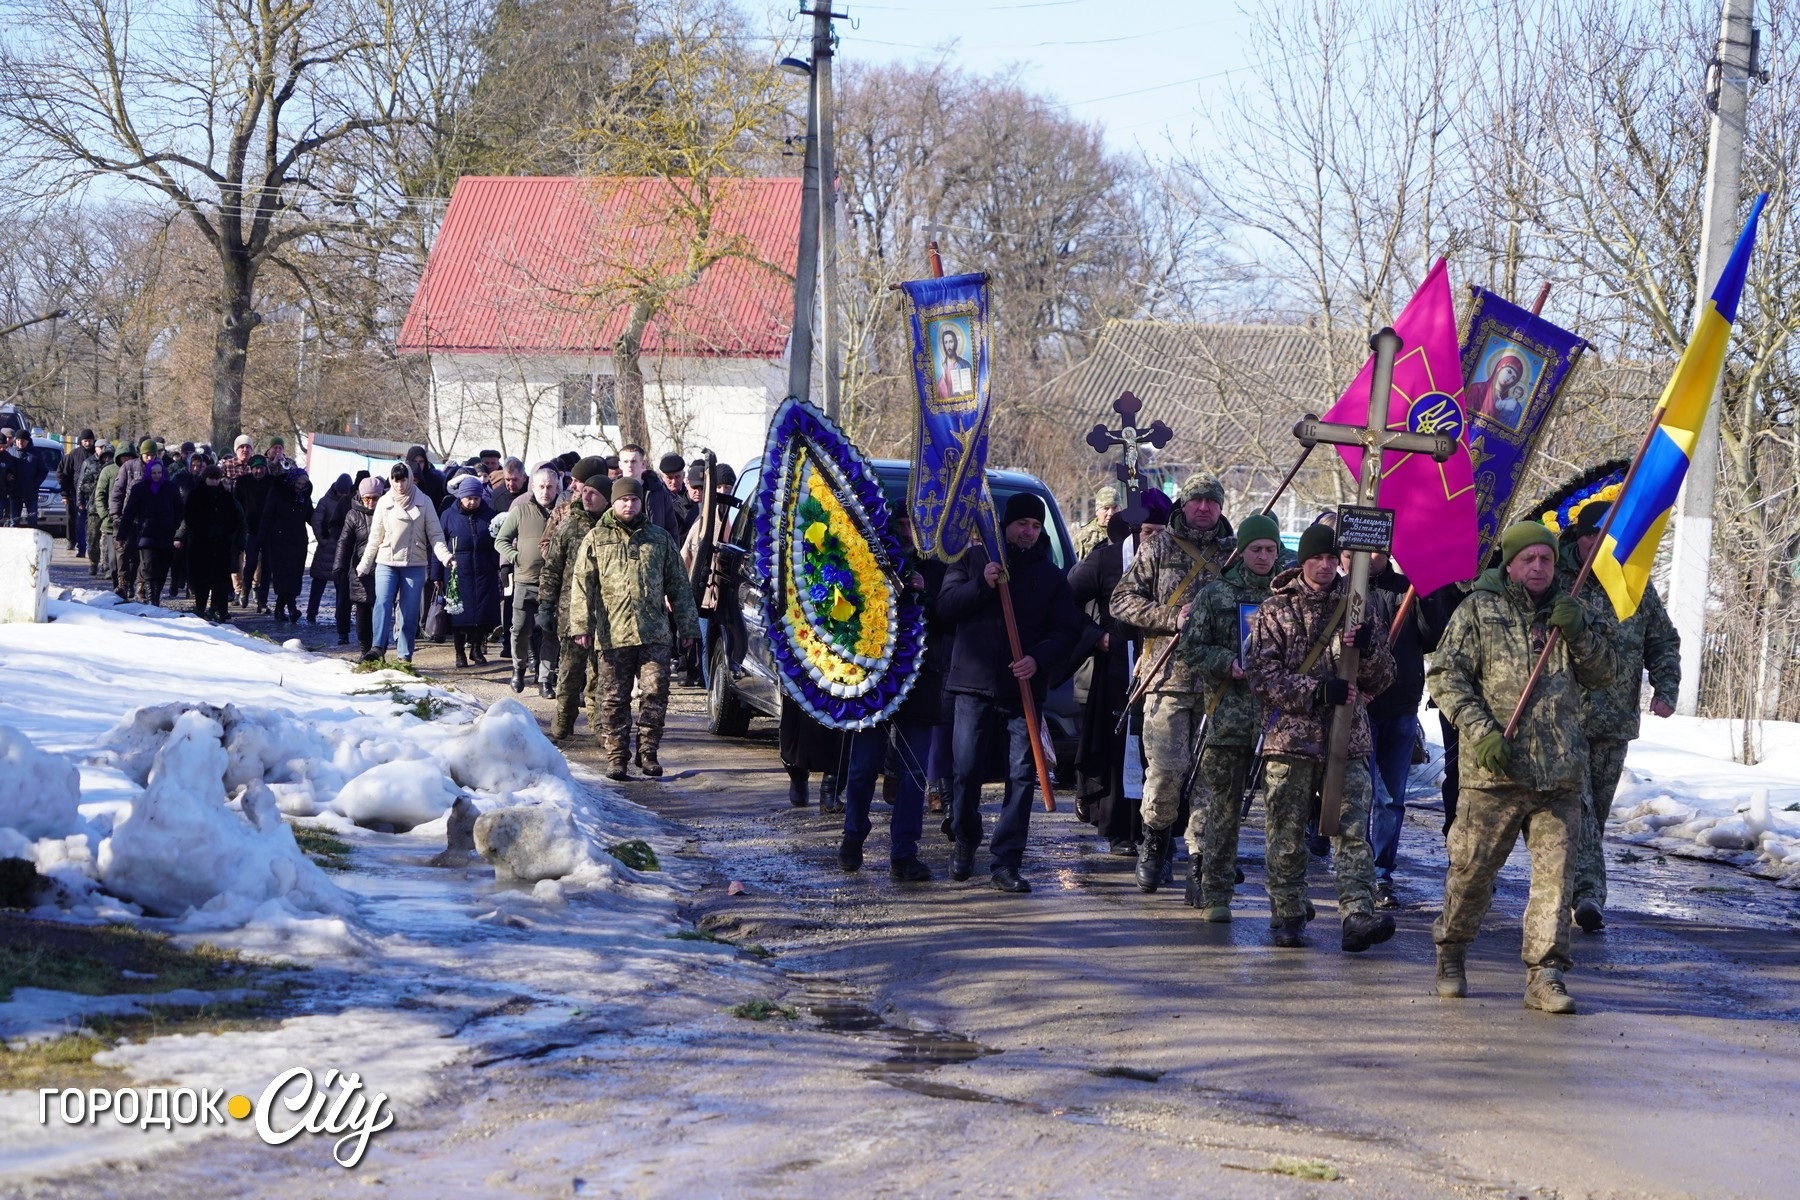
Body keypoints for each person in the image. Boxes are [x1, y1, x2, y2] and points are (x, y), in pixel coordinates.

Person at [1427, 521, 1617, 1013]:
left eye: (1546, 559)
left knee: (1555, 884)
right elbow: (1446, 678)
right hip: (1494, 774)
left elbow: (1606, 674)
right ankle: (1451, 951)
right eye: (1528, 559)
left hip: (1559, 774)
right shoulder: (1478, 610)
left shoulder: (1573, 610)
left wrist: (1579, 634)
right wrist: (1480, 730)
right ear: (1510, 564)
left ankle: (1545, 975)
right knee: (1472, 875)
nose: (1538, 567)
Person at [1246, 522, 1397, 952]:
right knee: (1287, 831)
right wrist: (1316, 691)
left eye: (1333, 559)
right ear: (1302, 561)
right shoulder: (1277, 609)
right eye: (1318, 558)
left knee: (1352, 831)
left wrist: (1368, 649)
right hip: (1290, 740)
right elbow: (1262, 676)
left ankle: (1356, 914)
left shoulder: (1358, 606)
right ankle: (1288, 912)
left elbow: (1385, 677)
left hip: (1346, 737)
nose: (1327, 566)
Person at [939, 492, 1081, 893]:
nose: (1029, 532)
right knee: (965, 770)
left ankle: (1006, 861)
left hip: (1023, 690)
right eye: (1023, 524)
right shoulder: (973, 560)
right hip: (973, 684)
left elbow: (1067, 631)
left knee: (1022, 775)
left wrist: (1037, 659)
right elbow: (946, 608)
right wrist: (982, 584)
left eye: (1036, 526)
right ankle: (965, 839)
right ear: (1006, 524)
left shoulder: (1052, 577)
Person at [1557, 501, 1679, 933]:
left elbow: (1663, 640)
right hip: (1563, 719)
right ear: (1581, 537)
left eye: (1613, 537)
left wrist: (1666, 688)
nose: (1605, 545)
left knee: (1596, 814)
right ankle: (1589, 894)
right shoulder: (1557, 579)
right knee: (1579, 806)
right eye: (1597, 536)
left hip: (1614, 720)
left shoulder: (1635, 585)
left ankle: (1571, 885)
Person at [1110, 474, 1236, 892]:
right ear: (1184, 505)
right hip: (1166, 678)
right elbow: (1122, 600)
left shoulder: (1234, 555)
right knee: (1165, 772)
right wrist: (1169, 618)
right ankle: (1155, 844)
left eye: (1211, 502)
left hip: (1219, 685)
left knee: (1208, 780)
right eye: (1196, 500)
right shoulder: (1158, 547)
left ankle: (1200, 859)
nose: (1203, 508)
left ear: (1220, 507)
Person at [1176, 512, 1284, 920]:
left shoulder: (1287, 596)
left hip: (1280, 724)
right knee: (1223, 812)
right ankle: (1216, 893)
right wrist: (1226, 662)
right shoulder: (1216, 594)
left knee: (1283, 815)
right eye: (1256, 549)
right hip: (1229, 720)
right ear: (1242, 550)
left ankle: (1288, 898)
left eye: (1270, 550)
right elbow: (1190, 648)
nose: (1263, 557)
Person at [837, 504, 944, 883]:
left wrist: (926, 591)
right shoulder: (871, 565)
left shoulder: (936, 567)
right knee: (864, 766)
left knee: (914, 771)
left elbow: (950, 615)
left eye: (912, 526)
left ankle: (904, 852)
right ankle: (853, 838)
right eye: (900, 525)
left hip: (921, 682)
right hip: (876, 683)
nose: (906, 533)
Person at [568, 476, 701, 780]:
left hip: (654, 631)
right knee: (613, 698)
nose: (628, 504)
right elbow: (582, 586)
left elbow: (679, 586)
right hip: (613, 635)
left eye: (634, 499)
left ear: (642, 503)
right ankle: (617, 756)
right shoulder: (596, 539)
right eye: (623, 499)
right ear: (613, 502)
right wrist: (581, 626)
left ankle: (648, 752)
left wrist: (688, 627)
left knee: (655, 693)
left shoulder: (660, 539)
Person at [1353, 548, 1425, 910]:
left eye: (1380, 548)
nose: (1367, 556)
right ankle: (1353, 869)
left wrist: (1427, 592)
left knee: (1389, 798)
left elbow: (1431, 636)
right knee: (1355, 792)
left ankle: (1381, 874)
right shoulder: (1343, 590)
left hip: (1399, 706)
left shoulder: (1407, 588)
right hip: (1356, 707)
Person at [539, 457, 610, 739]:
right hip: (572, 611)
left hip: (606, 614)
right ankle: (562, 725)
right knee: (569, 673)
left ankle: (598, 727)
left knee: (600, 676)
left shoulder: (612, 526)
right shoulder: (568, 523)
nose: (585, 494)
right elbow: (552, 566)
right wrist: (546, 603)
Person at [358, 462, 453, 665]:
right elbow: (375, 537)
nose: (399, 485)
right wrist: (364, 565)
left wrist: (446, 557)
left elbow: (435, 534)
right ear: (390, 480)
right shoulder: (384, 502)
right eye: (395, 480)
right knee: (382, 602)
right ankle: (377, 647)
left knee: (409, 611)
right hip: (386, 561)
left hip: (414, 563)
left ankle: (404, 654)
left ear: (409, 478)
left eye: (402, 480)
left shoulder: (424, 502)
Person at [494, 466, 561, 693]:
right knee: (520, 629)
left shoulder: (564, 513)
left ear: (557, 488)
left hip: (553, 584)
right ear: (533, 486)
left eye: (550, 487)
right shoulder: (521, 511)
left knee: (549, 631)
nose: (545, 491)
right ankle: (518, 669)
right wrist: (516, 557)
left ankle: (545, 679)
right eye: (541, 486)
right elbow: (501, 539)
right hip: (525, 581)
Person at [441, 473, 502, 668]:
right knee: (459, 615)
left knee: (481, 615)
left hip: (484, 571)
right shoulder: (448, 516)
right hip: (458, 572)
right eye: (469, 498)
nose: (472, 502)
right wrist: (435, 574)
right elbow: (438, 544)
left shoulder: (489, 515)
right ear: (461, 497)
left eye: (476, 498)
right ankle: (459, 652)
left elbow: (498, 542)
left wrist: (495, 565)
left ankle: (476, 649)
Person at [179, 465, 244, 622]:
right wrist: (203, 531)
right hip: (202, 544)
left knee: (221, 581)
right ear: (205, 478)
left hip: (222, 544)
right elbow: (190, 518)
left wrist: (226, 532)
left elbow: (234, 518)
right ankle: (200, 607)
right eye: (211, 479)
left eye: (217, 479)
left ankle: (220, 609)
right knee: (202, 580)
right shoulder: (195, 496)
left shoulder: (226, 496)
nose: (214, 482)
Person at [119, 458, 182, 606]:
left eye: (159, 472)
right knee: (150, 568)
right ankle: (152, 599)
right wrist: (122, 534)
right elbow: (129, 512)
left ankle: (156, 595)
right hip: (147, 535)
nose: (156, 476)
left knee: (162, 569)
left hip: (166, 535)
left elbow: (180, 510)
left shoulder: (171, 488)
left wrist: (175, 528)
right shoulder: (139, 489)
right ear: (148, 473)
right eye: (153, 473)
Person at [333, 477, 383, 652]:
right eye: (366, 498)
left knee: (381, 610)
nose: (370, 502)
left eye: (375, 498)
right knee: (362, 610)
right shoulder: (353, 514)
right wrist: (339, 565)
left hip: (383, 567)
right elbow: (344, 542)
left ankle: (379, 649)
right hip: (360, 569)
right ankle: (364, 649)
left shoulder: (387, 511)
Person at [258, 469, 314, 622]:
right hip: (279, 540)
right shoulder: (278, 493)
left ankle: (279, 609)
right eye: (298, 483)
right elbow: (267, 516)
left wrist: (323, 527)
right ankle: (292, 608)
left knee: (294, 576)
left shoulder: (304, 496)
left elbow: (310, 516)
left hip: (299, 540)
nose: (300, 487)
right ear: (292, 481)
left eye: (303, 484)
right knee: (284, 575)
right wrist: (261, 540)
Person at [308, 474, 354, 624]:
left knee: (339, 586)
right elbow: (316, 521)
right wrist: (322, 540)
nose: (343, 495)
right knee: (320, 584)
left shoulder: (348, 501)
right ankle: (311, 613)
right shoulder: (326, 501)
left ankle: (339, 616)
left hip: (340, 549)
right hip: (328, 548)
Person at [615, 443, 682, 540]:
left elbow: (671, 528)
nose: (629, 465)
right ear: (620, 464)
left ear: (643, 463)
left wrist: (674, 553)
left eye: (633, 461)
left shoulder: (658, 491)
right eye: (626, 461)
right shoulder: (612, 490)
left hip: (654, 548)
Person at [235, 455, 274, 611]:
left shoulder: (272, 482)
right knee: (250, 563)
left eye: (262, 468)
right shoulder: (243, 482)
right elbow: (237, 503)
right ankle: (245, 592)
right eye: (256, 468)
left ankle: (262, 601)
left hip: (268, 529)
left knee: (266, 566)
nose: (259, 471)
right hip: (250, 529)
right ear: (251, 469)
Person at [58, 429, 96, 553]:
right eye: (85, 441)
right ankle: (74, 542)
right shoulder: (73, 454)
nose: (87, 443)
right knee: (74, 519)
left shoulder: (97, 454)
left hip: (92, 494)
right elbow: (65, 475)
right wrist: (65, 493)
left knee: (89, 522)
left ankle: (87, 545)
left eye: (89, 441)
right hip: (75, 492)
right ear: (81, 441)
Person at [3, 429, 47, 528]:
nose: (20, 442)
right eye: (18, 440)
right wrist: (7, 476)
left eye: (23, 440)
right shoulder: (10, 451)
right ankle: (14, 542)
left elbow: (43, 471)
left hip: (31, 492)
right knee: (14, 520)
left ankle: (33, 542)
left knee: (32, 520)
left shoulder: (36, 454)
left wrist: (35, 483)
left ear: (28, 440)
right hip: (15, 492)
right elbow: (4, 469)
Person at [80, 442, 112, 576]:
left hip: (109, 508)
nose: (107, 459)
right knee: (92, 539)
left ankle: (106, 566)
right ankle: (94, 562)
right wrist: (97, 485)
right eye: (105, 457)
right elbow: (83, 485)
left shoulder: (116, 470)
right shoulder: (93, 467)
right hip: (94, 508)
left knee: (107, 539)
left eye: (110, 457)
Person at [1073, 486, 1120, 559]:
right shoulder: (1084, 536)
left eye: (1115, 508)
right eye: (1106, 508)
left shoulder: (1129, 533)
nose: (1110, 513)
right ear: (1097, 511)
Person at [405, 445, 448, 513]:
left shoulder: (435, 481)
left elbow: (439, 508)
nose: (418, 465)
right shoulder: (400, 478)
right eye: (414, 461)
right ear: (408, 462)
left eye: (421, 461)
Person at [934, 326, 973, 398]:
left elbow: (972, 391)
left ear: (956, 343)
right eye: (946, 342)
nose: (948, 346)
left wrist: (964, 392)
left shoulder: (965, 365)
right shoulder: (941, 368)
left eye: (951, 342)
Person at [660, 453, 694, 534]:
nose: (674, 482)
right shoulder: (658, 498)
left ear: (684, 475)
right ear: (662, 477)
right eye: (669, 478)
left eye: (677, 477)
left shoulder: (689, 495)